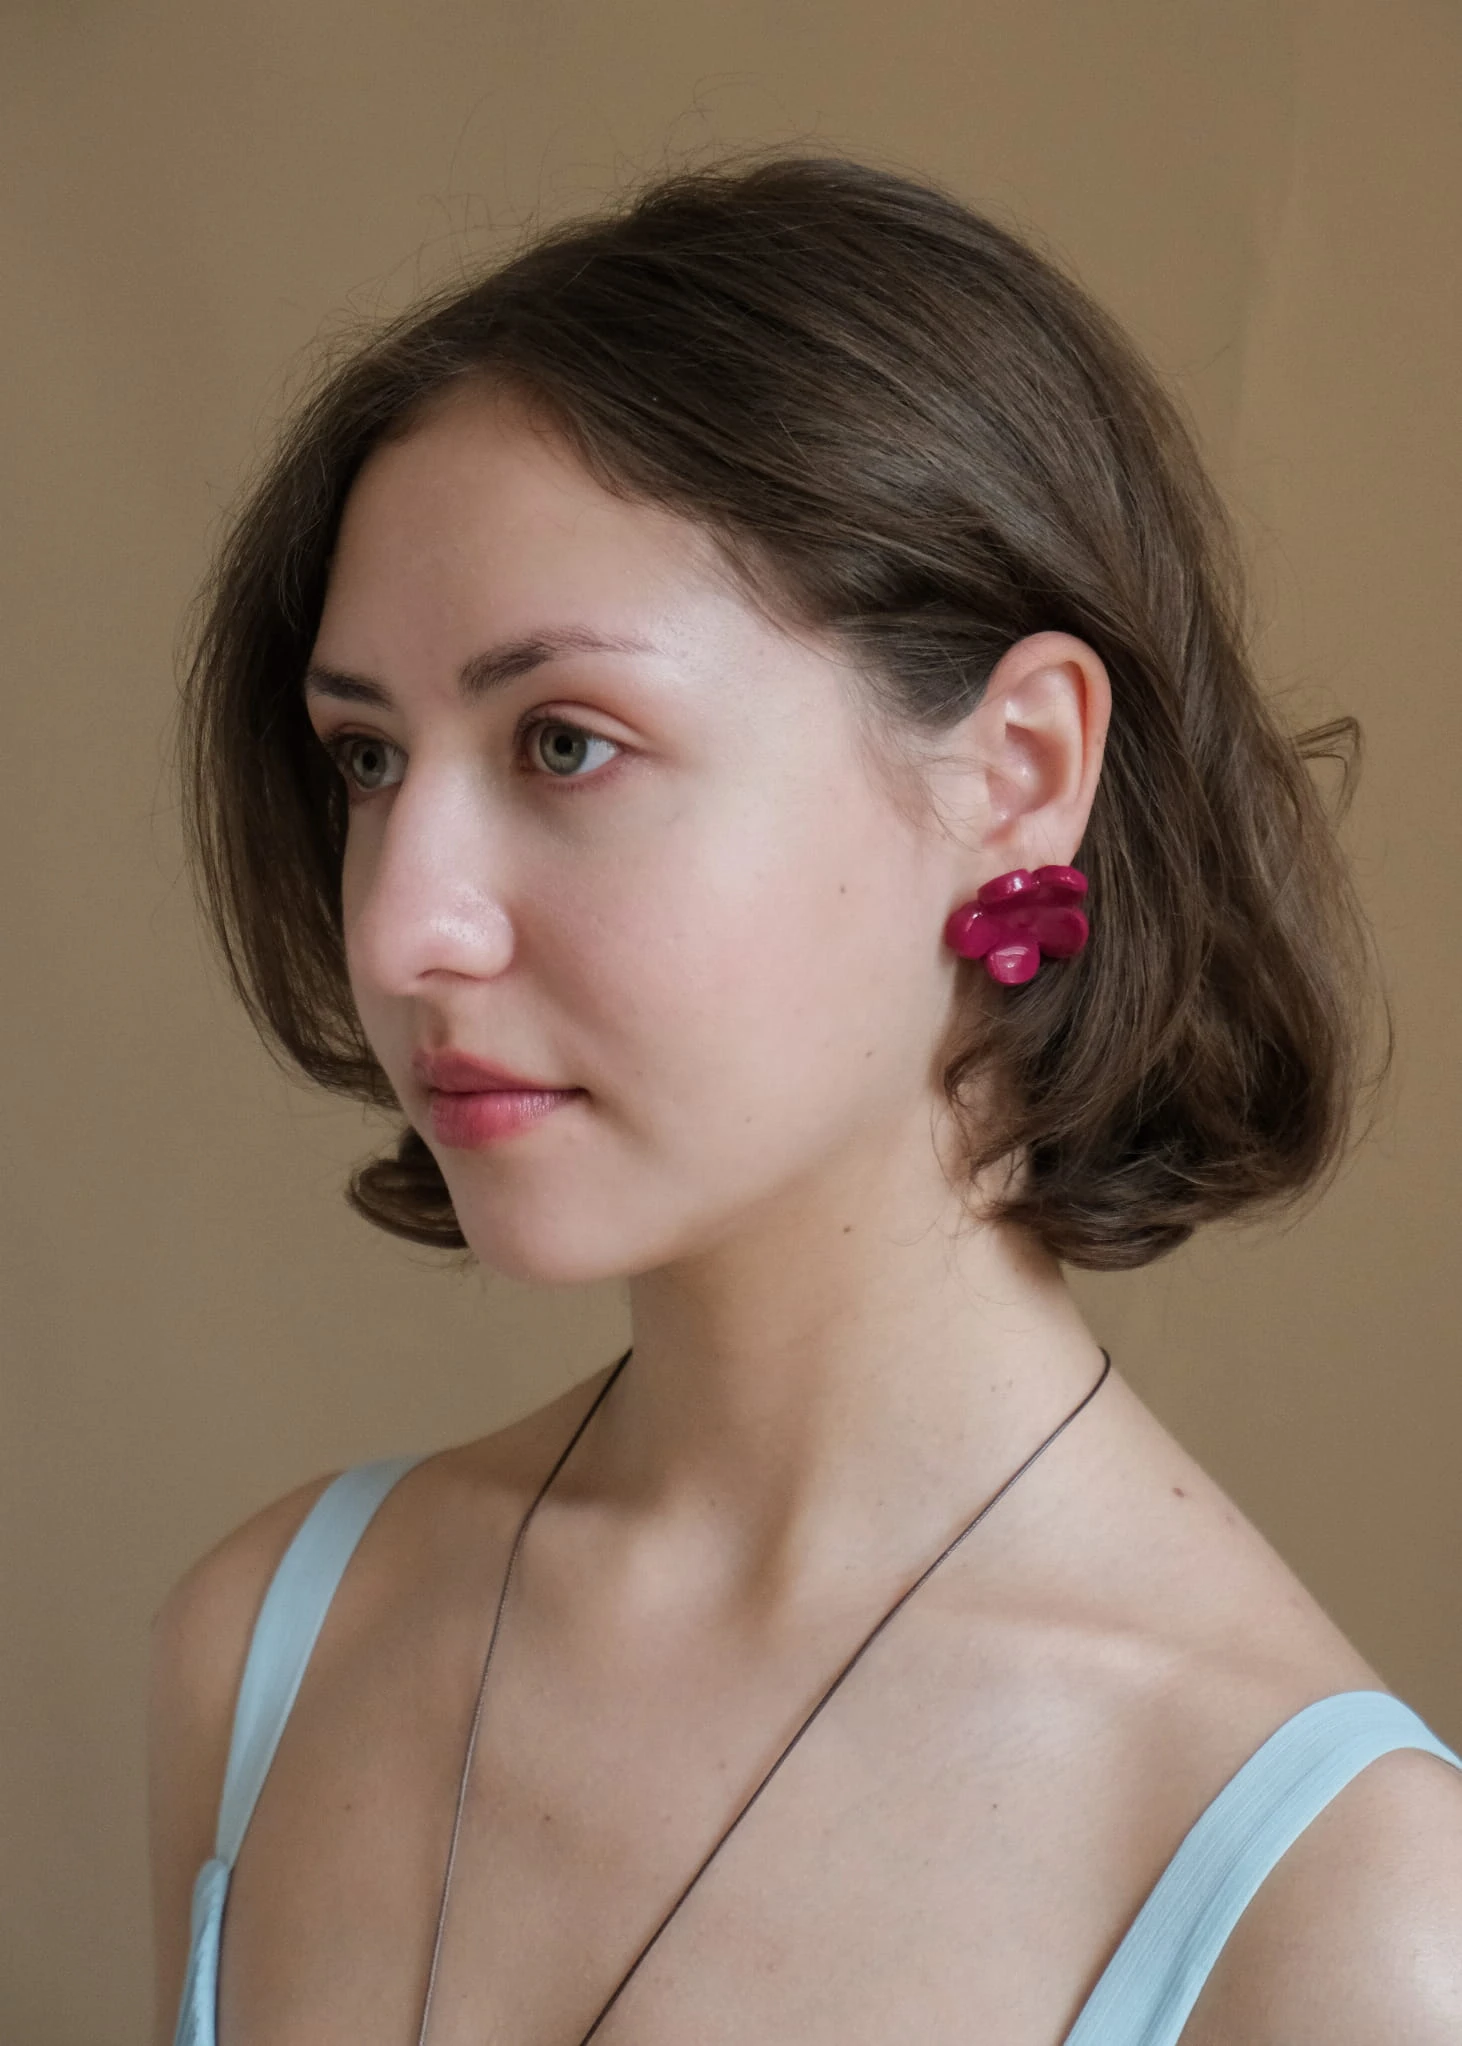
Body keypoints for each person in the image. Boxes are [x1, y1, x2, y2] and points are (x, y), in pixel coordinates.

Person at [150, 155, 1462, 2046]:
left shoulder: (1341, 1925)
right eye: (367, 759)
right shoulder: (269, 1652)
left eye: (564, 741)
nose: (404, 924)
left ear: (1017, 770)